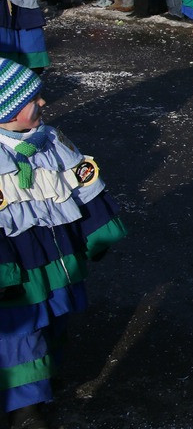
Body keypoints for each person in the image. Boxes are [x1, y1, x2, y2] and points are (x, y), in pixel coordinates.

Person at [0, 58, 126, 429]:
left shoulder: (51, 141)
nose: (43, 104)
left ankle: (44, 378)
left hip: (54, 252)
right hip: (15, 260)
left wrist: (99, 232)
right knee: (22, 328)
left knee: (55, 312)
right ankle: (23, 407)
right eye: (32, 100)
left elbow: (81, 183)